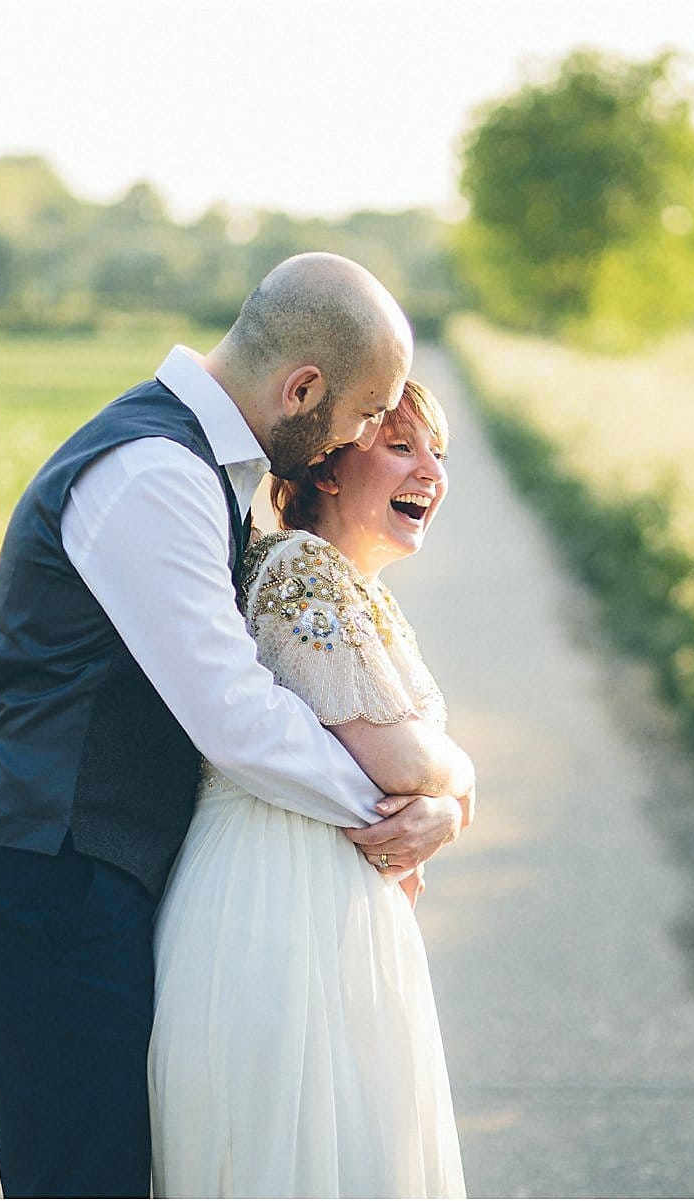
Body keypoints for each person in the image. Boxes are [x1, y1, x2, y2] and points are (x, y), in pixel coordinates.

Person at [0, 253, 466, 1199]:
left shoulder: (198, 468)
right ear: (303, 386)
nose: (361, 433)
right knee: (81, 1182)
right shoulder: (154, 471)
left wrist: (434, 802)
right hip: (50, 878)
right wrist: (394, 812)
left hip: (97, 873)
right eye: (363, 412)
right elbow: (238, 719)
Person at [150, 379, 472, 1198]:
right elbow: (397, 760)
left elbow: (405, 762)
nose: (431, 471)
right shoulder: (300, 567)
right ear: (329, 468)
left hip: (337, 906)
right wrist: (459, 785)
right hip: (273, 900)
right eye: (402, 447)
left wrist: (444, 803)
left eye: (439, 451)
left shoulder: (365, 591)